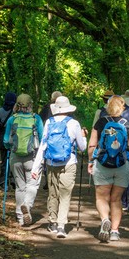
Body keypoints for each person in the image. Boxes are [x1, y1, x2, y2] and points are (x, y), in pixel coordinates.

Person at [31, 96, 87, 239]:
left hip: (51, 163)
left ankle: (53, 222)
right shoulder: (74, 123)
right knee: (65, 195)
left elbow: (43, 146)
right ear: (69, 109)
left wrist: (36, 167)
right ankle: (62, 226)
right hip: (69, 163)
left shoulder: (49, 122)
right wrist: (84, 137)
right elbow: (82, 147)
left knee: (53, 194)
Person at [86, 94, 129, 242]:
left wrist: (90, 160)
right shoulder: (127, 124)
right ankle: (114, 231)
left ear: (108, 107)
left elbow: (92, 144)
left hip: (102, 164)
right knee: (116, 199)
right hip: (122, 165)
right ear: (123, 107)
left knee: (101, 197)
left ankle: (104, 220)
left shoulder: (101, 122)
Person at [3, 94, 44, 227]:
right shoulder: (36, 119)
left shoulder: (12, 119)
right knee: (32, 184)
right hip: (32, 157)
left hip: (15, 157)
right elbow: (42, 138)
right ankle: (27, 204)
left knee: (20, 187)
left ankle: (20, 218)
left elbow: (6, 141)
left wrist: (9, 148)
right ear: (30, 104)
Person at [0, 91, 17, 187]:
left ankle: (3, 181)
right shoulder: (16, 112)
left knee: (4, 160)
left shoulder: (1, 111)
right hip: (15, 138)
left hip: (4, 138)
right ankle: (13, 179)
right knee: (14, 159)